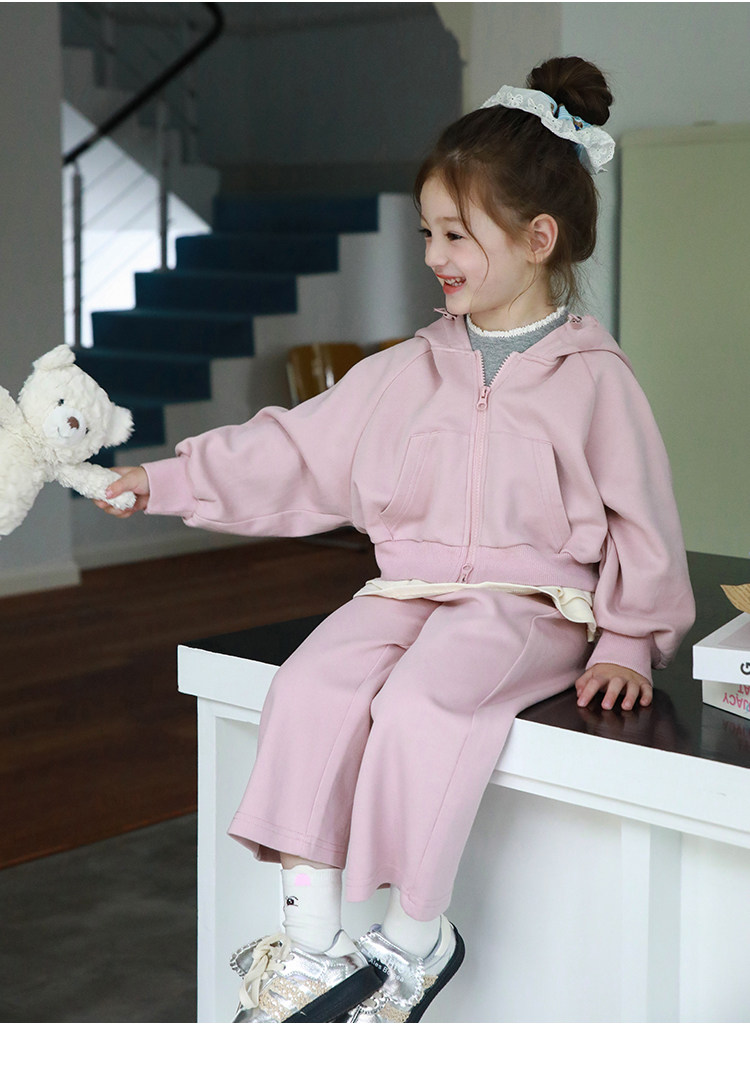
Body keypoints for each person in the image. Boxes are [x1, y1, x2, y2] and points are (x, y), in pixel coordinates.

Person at [96, 56, 695, 1023]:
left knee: (424, 705)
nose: (434, 255)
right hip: (407, 587)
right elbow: (293, 448)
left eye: (457, 234)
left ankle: (416, 941)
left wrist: (629, 637)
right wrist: (162, 480)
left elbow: (645, 520)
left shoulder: (595, 378)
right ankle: (311, 947)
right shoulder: (409, 368)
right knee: (311, 684)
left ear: (538, 238)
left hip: (530, 604)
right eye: (428, 232)